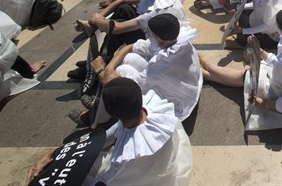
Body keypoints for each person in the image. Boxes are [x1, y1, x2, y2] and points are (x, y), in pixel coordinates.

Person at [26, 78, 193, 186]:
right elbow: (106, 136)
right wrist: (57, 153)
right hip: (159, 166)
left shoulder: (127, 156)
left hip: (138, 178)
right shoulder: (153, 109)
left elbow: (105, 182)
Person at [202, 8, 282, 131]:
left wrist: (266, 104)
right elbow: (279, 61)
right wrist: (260, 50)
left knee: (247, 76)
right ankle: (207, 72)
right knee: (249, 73)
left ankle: (208, 70)